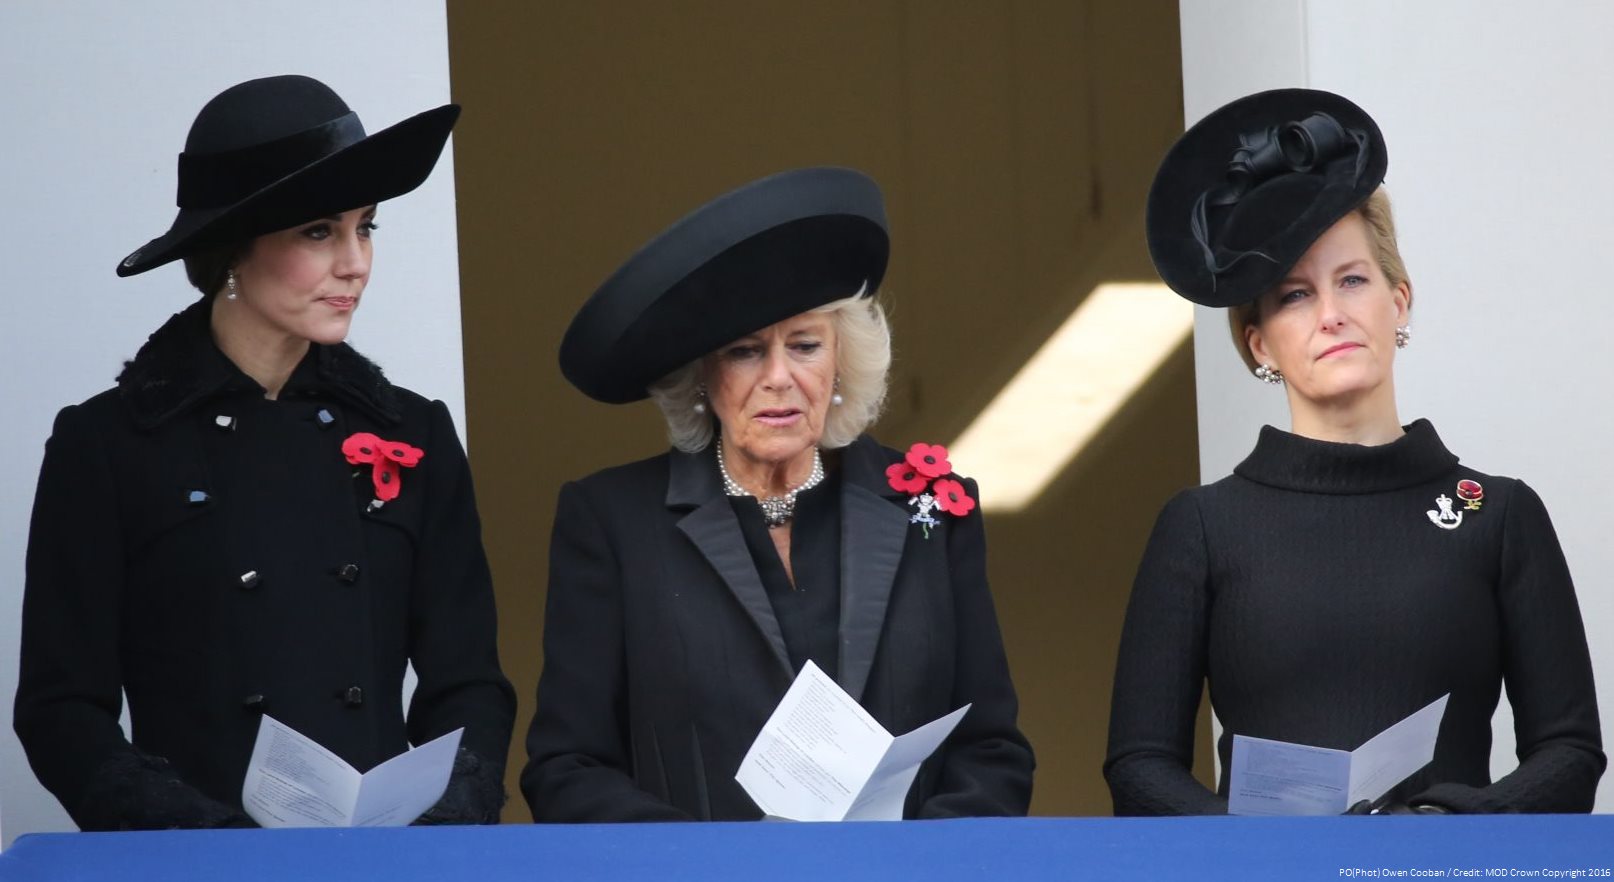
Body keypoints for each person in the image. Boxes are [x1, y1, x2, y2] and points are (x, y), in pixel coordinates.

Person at [14, 75, 516, 830]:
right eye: (320, 232)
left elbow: (469, 684)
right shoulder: (107, 446)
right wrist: (193, 839)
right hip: (192, 869)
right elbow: (61, 710)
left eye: (366, 227)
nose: (356, 264)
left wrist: (441, 825)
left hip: (384, 868)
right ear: (231, 253)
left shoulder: (417, 434)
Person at [1104, 89, 1603, 815]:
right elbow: (1139, 766)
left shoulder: (1499, 516)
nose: (1331, 314)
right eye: (1294, 296)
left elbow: (1570, 751)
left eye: (1353, 281)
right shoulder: (1202, 528)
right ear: (1259, 344)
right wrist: (1262, 852)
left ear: (1399, 303)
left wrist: (1453, 827)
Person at [522, 167, 1034, 821]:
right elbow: (569, 769)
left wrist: (913, 860)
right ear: (701, 377)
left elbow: (993, 751)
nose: (779, 377)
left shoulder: (930, 509)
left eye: (804, 345)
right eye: (744, 351)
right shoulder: (611, 523)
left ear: (841, 360)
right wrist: (712, 866)